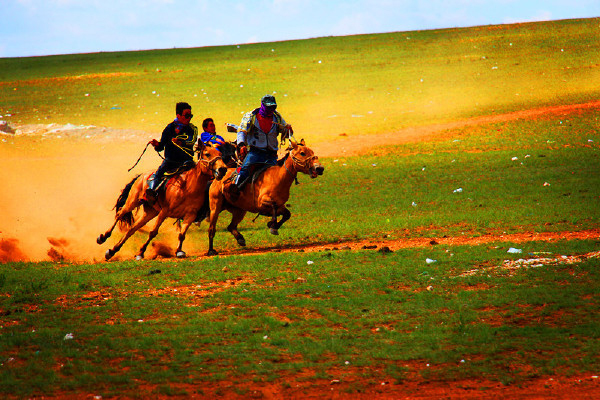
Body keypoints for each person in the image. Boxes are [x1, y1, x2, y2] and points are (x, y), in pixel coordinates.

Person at [232, 94, 293, 193]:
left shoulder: (277, 117)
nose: (271, 110)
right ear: (262, 105)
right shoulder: (250, 116)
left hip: (271, 154)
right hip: (255, 153)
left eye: (273, 107)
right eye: (269, 107)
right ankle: (235, 189)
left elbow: (285, 130)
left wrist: (288, 130)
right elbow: (242, 131)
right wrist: (241, 144)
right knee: (245, 168)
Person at [146, 102, 198, 203]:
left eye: (190, 115)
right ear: (178, 115)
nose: (189, 118)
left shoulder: (192, 129)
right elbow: (161, 146)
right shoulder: (169, 128)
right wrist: (156, 145)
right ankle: (151, 193)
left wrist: (180, 142)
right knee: (158, 174)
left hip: (186, 161)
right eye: (187, 115)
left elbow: (192, 141)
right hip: (170, 161)